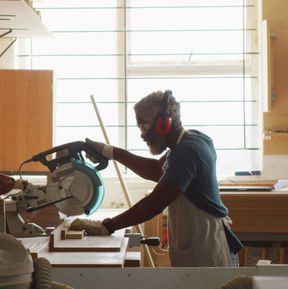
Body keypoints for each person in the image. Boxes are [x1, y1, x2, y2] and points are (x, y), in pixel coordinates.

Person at [71, 90, 241, 267]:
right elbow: (155, 170)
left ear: (163, 125)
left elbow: (156, 202)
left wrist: (107, 226)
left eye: (144, 127)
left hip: (206, 248)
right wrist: (110, 151)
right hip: (202, 242)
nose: (142, 135)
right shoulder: (191, 141)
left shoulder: (187, 152)